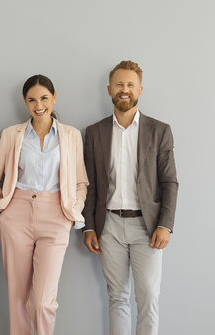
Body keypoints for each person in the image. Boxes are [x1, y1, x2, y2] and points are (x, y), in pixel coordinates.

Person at [0, 75, 88, 335]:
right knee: (18, 298)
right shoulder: (11, 134)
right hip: (16, 215)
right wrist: (1, 210)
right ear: (25, 102)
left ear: (54, 98)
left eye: (44, 98)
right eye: (32, 99)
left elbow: (81, 183)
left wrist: (72, 212)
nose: (38, 105)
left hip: (56, 216)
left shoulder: (71, 136)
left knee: (42, 302)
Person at [82, 60, 178, 335]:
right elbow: (90, 184)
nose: (125, 90)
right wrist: (89, 226)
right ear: (110, 89)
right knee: (117, 297)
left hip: (147, 227)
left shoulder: (159, 131)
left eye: (130, 85)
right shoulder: (95, 132)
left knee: (148, 297)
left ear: (140, 89)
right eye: (120, 85)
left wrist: (165, 224)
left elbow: (169, 181)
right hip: (109, 226)